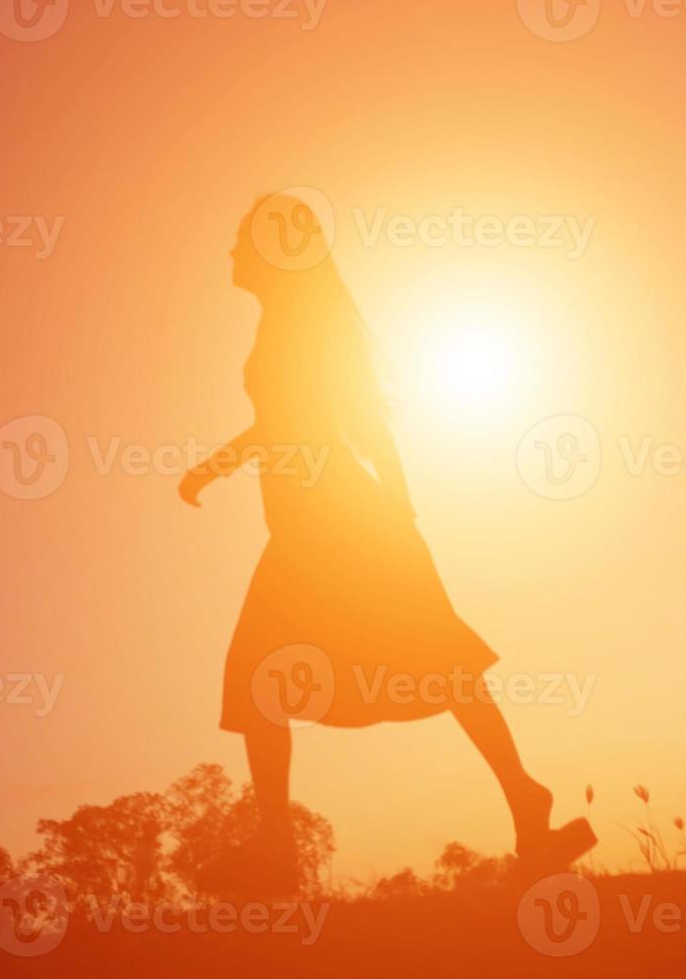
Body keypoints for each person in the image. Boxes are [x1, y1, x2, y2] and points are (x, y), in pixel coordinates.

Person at [179, 192, 594, 895]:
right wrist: (215, 467)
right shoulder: (285, 321)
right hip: (322, 521)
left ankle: (280, 850)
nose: (231, 253)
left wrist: (397, 512)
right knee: (422, 665)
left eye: (241, 241)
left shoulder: (298, 325)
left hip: (335, 523)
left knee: (278, 674)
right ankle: (526, 802)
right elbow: (289, 423)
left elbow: (348, 417)